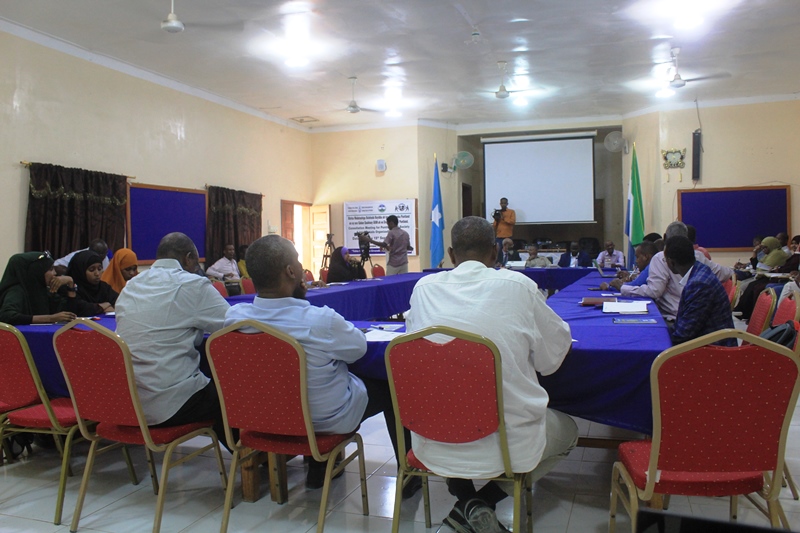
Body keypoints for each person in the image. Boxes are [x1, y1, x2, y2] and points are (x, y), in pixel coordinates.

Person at [406, 216, 577, 532]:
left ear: (451, 255)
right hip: (507, 448)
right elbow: (551, 359)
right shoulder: (519, 286)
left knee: (452, 404)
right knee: (568, 433)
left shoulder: (423, 290)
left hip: (433, 440)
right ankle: (480, 503)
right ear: (495, 252)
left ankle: (468, 503)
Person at [224, 235, 413, 491]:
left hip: (263, 417)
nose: (302, 266)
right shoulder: (320, 320)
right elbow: (358, 349)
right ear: (291, 271)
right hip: (322, 421)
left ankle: (319, 465)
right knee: (390, 384)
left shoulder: (235, 319)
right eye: (298, 261)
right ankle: (408, 475)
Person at [115, 232, 231, 446]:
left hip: (129, 404)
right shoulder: (192, 284)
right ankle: (253, 458)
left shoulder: (131, 285)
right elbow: (233, 325)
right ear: (189, 258)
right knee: (235, 391)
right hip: (169, 404)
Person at [664, 236, 735, 346]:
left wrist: (658, 341)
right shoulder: (700, 270)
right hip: (705, 341)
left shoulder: (699, 285)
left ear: (671, 262)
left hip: (714, 350)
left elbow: (684, 334)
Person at [0, 251, 79, 325]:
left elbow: (68, 315)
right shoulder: (16, 291)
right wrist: (50, 318)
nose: (55, 273)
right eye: (50, 269)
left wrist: (70, 283)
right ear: (36, 271)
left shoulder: (42, 290)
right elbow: (7, 316)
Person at [66, 250, 118, 315]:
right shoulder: (71, 288)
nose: (97, 274)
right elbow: (77, 308)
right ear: (80, 271)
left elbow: (119, 301)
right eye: (91, 270)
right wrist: (101, 307)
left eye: (99, 269)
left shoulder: (103, 287)